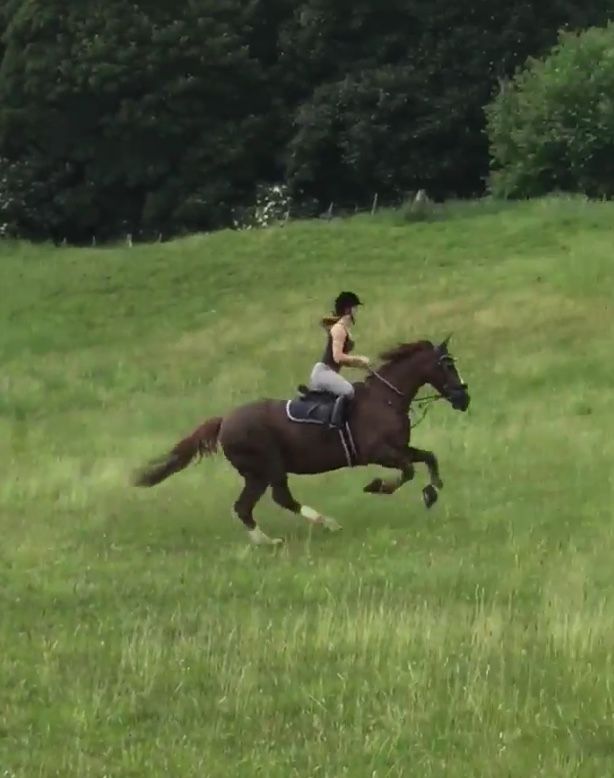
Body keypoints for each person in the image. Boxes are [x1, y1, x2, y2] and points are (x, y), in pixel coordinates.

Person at [308, 291, 371, 429]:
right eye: (355, 308)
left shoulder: (344, 328)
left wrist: (360, 365)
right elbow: (337, 357)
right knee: (348, 391)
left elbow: (342, 359)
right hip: (323, 373)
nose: (357, 311)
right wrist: (359, 359)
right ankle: (335, 424)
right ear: (348, 309)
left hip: (329, 372)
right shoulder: (339, 329)